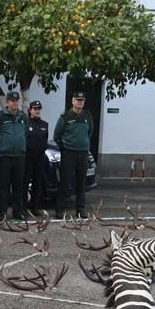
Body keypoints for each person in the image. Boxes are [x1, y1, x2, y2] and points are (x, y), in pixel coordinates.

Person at [0, 90, 28, 221]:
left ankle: (18, 212)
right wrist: (1, 147)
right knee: (3, 187)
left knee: (18, 187)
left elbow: (25, 134)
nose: (15, 103)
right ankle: (2, 212)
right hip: (4, 157)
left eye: (17, 101)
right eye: (12, 101)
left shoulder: (23, 116)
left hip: (19, 157)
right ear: (7, 102)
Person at [53, 91, 93, 219]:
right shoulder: (65, 116)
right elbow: (56, 136)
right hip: (69, 153)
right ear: (72, 101)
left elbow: (90, 132)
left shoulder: (88, 116)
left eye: (82, 100)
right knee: (65, 182)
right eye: (77, 100)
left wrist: (83, 145)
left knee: (81, 182)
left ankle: (80, 209)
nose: (79, 102)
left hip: (83, 153)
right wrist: (65, 148)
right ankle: (59, 210)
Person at [25, 100, 49, 215]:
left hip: (39, 158)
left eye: (39, 109)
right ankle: (23, 208)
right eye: (35, 109)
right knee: (24, 183)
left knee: (37, 183)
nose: (37, 111)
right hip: (27, 158)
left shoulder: (45, 124)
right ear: (30, 110)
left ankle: (36, 207)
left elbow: (45, 140)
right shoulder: (25, 123)